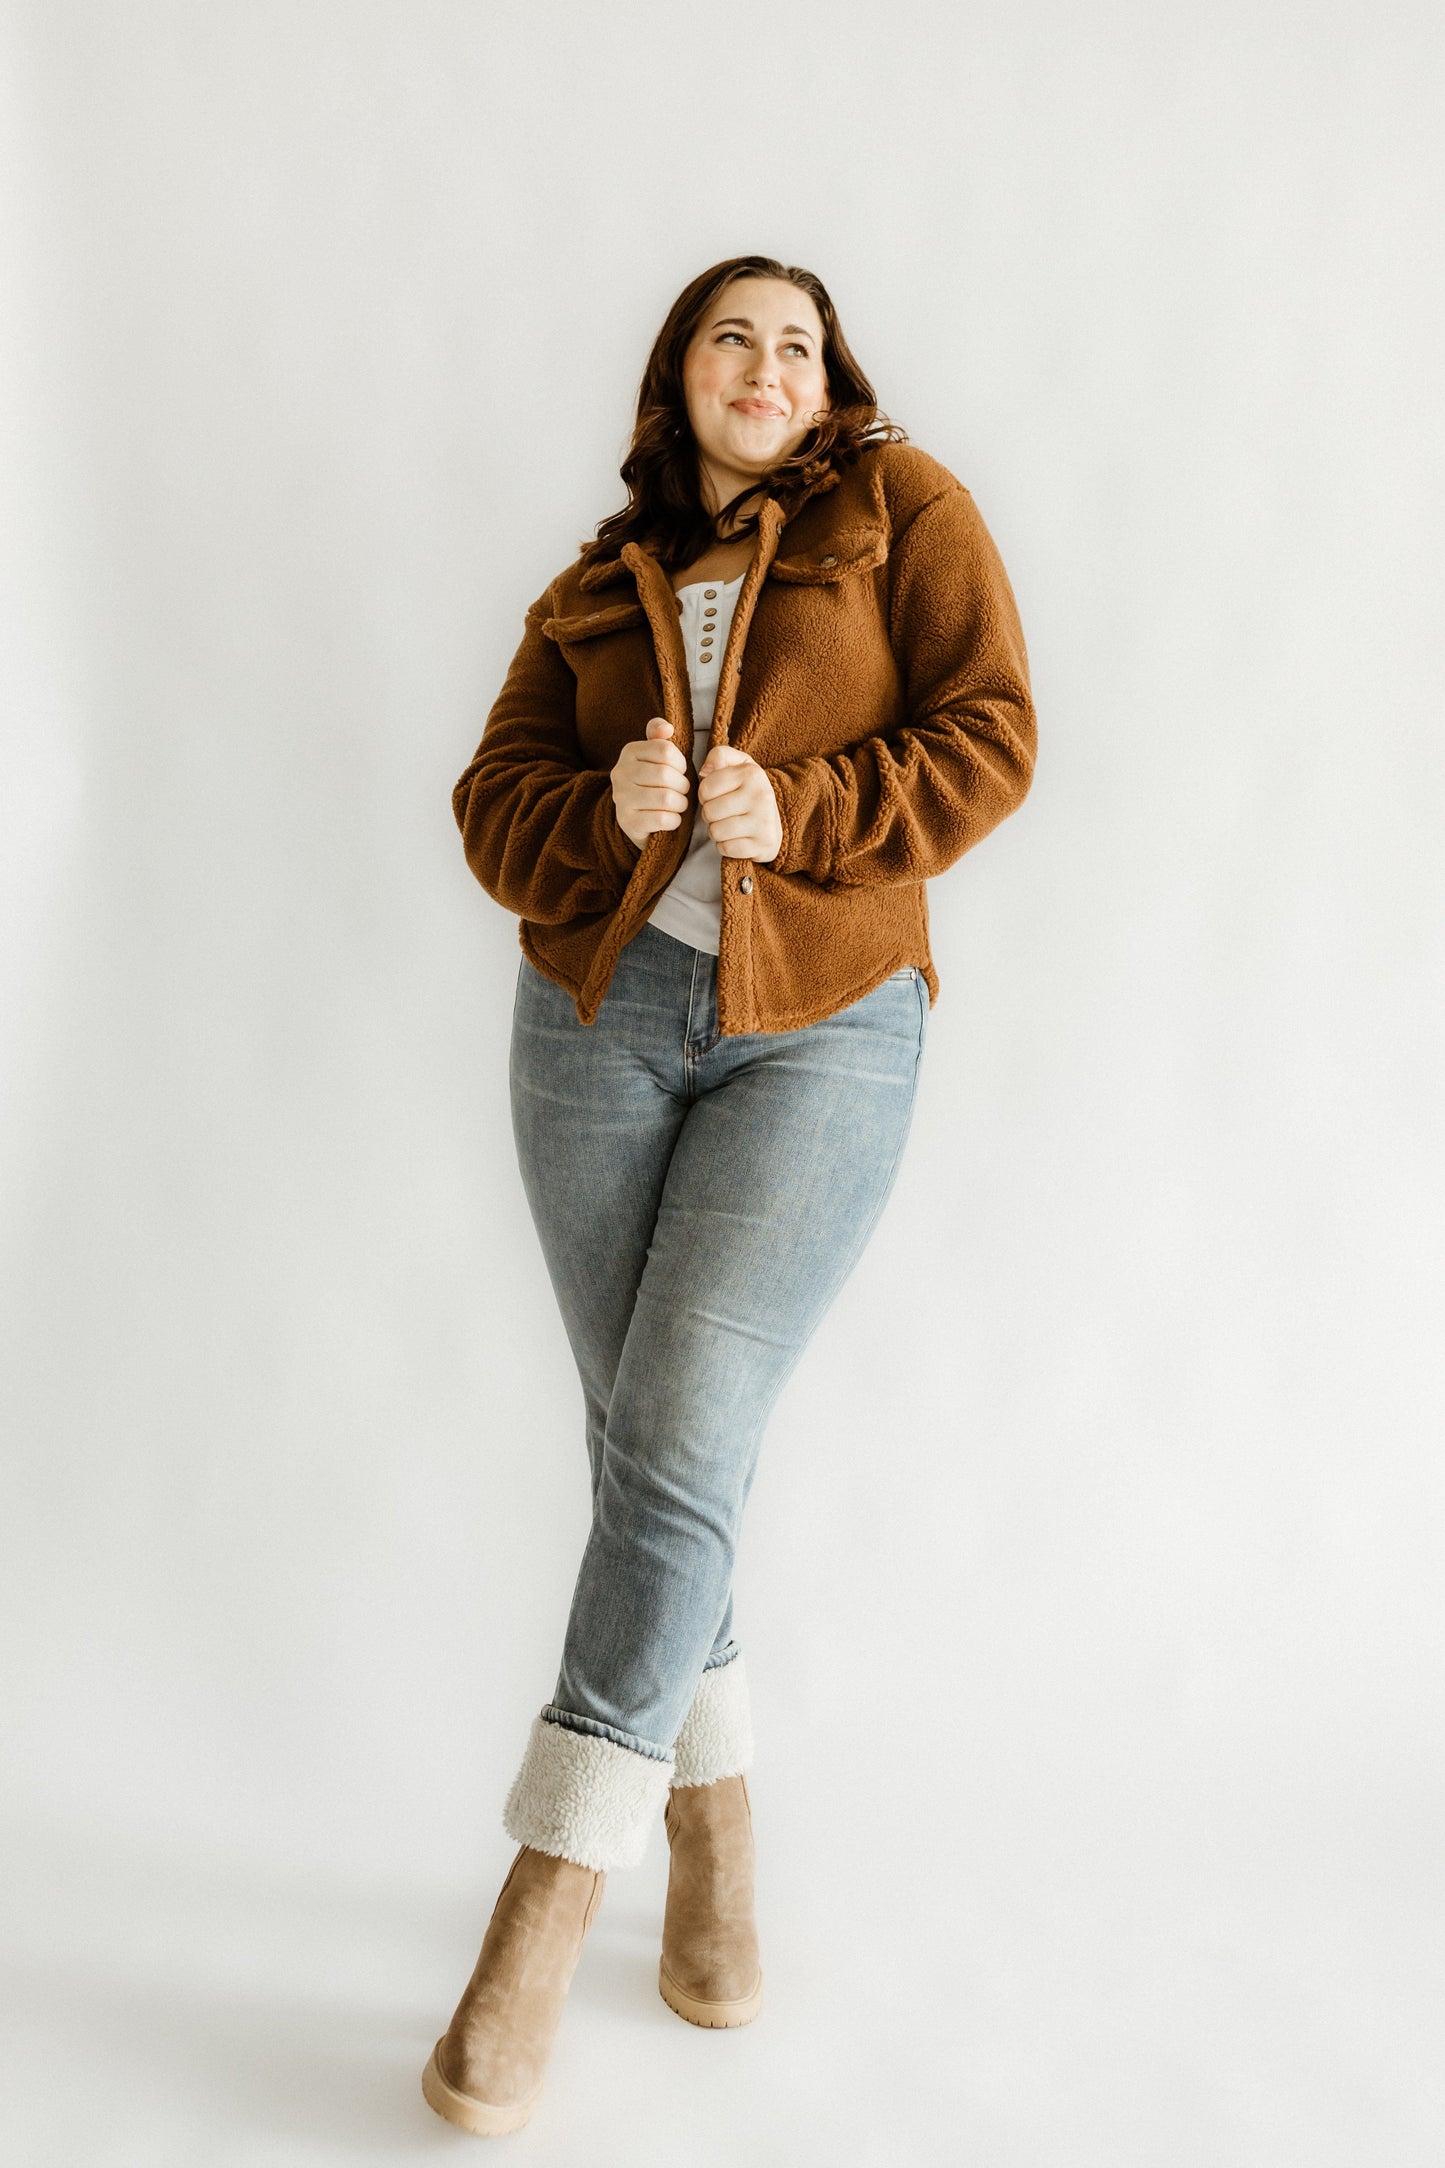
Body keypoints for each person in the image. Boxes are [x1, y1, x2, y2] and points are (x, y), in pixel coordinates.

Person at [422, 254, 1037, 2136]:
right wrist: (594, 814)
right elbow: (488, 800)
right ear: (675, 378)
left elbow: (993, 731)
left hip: (825, 1028)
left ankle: (548, 1891)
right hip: (594, 1030)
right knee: (650, 1450)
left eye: (793, 341)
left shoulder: (903, 511)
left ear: (826, 375)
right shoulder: (596, 582)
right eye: (726, 337)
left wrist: (819, 811)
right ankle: (715, 1847)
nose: (762, 365)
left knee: (680, 1430)